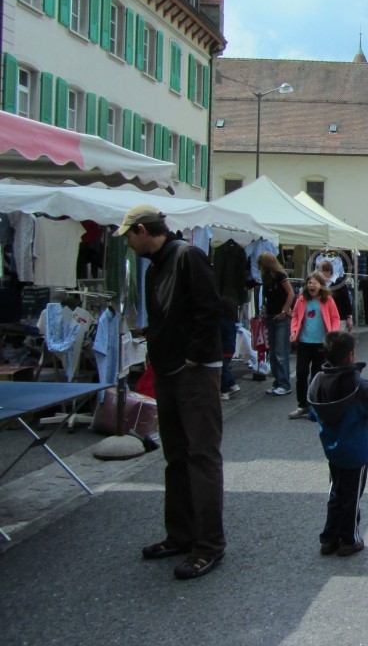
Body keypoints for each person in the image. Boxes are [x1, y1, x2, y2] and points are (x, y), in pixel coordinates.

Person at [115, 204, 226, 580]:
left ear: (144, 230)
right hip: (170, 369)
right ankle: (180, 535)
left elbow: (209, 309)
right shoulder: (159, 264)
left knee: (201, 456)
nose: (127, 243)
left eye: (129, 235)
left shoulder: (187, 256)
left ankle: (209, 544)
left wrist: (194, 357)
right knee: (176, 454)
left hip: (192, 372)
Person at [307, 330, 368, 556]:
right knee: (352, 495)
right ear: (351, 355)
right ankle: (349, 539)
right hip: (356, 449)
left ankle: (329, 538)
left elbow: (313, 413)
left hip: (331, 447)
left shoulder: (318, 380)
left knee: (336, 492)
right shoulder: (359, 385)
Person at [288, 272, 341, 420]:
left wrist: (333, 334)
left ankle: (314, 406)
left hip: (320, 343)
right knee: (301, 373)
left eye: (315, 283)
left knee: (317, 375)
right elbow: (295, 316)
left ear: (321, 285)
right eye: (309, 283)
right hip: (304, 342)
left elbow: (335, 318)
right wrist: (293, 331)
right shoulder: (301, 300)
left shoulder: (327, 300)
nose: (312, 285)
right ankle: (302, 405)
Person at [257, 252, 296, 397]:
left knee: (281, 352)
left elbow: (291, 293)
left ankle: (284, 384)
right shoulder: (266, 277)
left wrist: (285, 311)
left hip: (282, 318)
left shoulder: (280, 275)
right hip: (271, 317)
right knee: (273, 353)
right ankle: (277, 382)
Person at [319, 259, 354, 333]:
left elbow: (347, 301)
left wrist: (349, 317)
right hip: (323, 318)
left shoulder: (339, 283)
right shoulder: (319, 283)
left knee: (337, 341)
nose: (320, 273)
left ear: (329, 271)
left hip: (340, 318)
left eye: (322, 271)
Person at [218, 296, 241, 401]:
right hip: (230, 348)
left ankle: (225, 390)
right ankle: (232, 384)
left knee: (223, 370)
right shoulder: (231, 321)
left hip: (223, 348)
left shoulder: (221, 322)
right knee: (225, 368)